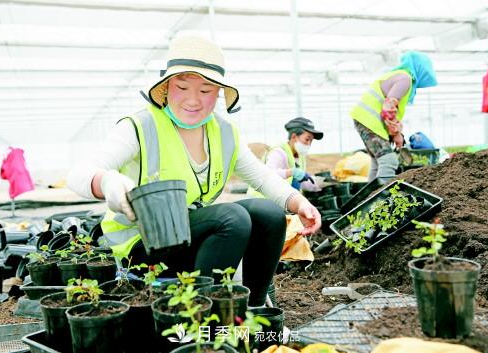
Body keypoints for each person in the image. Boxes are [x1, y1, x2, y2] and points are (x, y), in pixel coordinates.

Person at [67, 33, 321, 307]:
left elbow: (262, 177)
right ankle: (200, 319)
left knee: (269, 213)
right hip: (142, 245)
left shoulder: (224, 133)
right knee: (231, 217)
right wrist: (106, 181)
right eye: (183, 87)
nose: (193, 100)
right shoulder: (141, 126)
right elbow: (79, 173)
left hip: (190, 234)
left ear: (219, 94)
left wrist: (299, 203)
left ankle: (256, 309)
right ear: (166, 86)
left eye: (205, 90)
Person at [350, 51, 437, 181]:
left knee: (378, 161)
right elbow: (388, 108)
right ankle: (382, 197)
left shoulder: (400, 76)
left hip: (365, 120)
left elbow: (390, 111)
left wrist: (398, 133)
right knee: (389, 160)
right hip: (369, 121)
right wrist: (395, 134)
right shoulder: (405, 79)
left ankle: (369, 196)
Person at [248, 117, 324, 197]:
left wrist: (319, 184)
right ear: (294, 137)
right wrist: (291, 172)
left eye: (311, 141)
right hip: (262, 200)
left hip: (280, 199)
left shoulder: (300, 157)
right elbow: (268, 175)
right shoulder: (278, 152)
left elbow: (300, 181)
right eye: (307, 139)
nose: (309, 144)